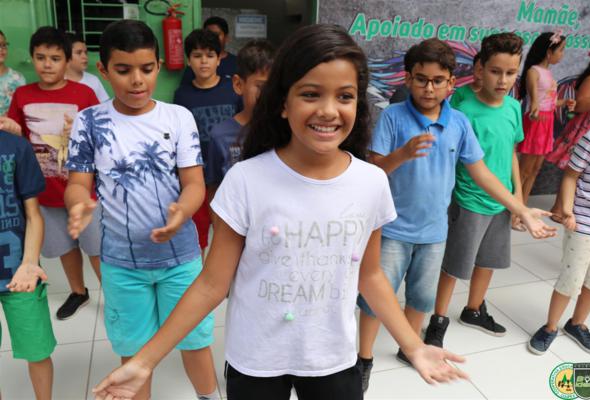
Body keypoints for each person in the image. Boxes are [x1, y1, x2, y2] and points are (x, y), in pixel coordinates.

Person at [92, 24, 469, 400]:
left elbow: (369, 275)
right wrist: (145, 361)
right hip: (256, 359)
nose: (328, 110)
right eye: (310, 94)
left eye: (345, 96)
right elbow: (211, 284)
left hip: (332, 357)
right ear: (283, 103)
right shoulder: (246, 180)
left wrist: (413, 345)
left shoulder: (370, 182)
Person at [356, 38, 556, 392]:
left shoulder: (459, 122)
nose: (429, 88)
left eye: (438, 80)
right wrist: (402, 154)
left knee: (420, 299)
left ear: (451, 83)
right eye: (421, 79)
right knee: (375, 301)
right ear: (408, 78)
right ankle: (364, 358)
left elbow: (482, 173)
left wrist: (520, 208)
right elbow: (374, 171)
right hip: (392, 231)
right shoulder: (393, 116)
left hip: (434, 234)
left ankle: (410, 348)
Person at [64, 20, 219, 400]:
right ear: (103, 70)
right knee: (133, 353)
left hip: (180, 259)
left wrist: (183, 211)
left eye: (147, 69)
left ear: (159, 65)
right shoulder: (89, 121)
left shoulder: (177, 117)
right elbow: (78, 183)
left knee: (195, 342)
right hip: (121, 264)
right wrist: (78, 204)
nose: (137, 80)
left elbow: (194, 183)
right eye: (123, 70)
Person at [425, 32, 556, 349]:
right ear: (479, 69)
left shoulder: (513, 107)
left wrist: (517, 200)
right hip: (468, 199)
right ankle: (438, 319)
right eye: (496, 71)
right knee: (454, 265)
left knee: (488, 260)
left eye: (511, 73)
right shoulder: (461, 106)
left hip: (502, 202)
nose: (503, 80)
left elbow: (511, 153)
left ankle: (473, 309)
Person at [4, 26, 101, 320]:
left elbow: (103, 134)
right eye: (40, 57)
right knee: (64, 247)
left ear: (67, 61)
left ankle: (115, 298)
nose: (47, 64)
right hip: (44, 192)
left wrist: (81, 131)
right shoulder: (22, 94)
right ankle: (78, 292)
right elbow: (18, 136)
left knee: (96, 248)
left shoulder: (84, 93)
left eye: (55, 58)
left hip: (84, 191)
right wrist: (13, 131)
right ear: (32, 58)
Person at [529, 126, 590, 356]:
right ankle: (550, 327)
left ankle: (577, 324)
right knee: (571, 279)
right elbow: (570, 175)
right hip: (584, 223)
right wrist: (568, 211)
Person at [0, 129, 56, 400]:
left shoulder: (16, 147)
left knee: (37, 349)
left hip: (19, 272)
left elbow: (33, 214)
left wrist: (29, 263)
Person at [174, 28, 240, 254]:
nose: (204, 61)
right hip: (199, 175)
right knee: (199, 231)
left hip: (230, 173)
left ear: (219, 59)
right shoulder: (182, 95)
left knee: (230, 231)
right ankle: (200, 271)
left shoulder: (233, 90)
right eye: (197, 56)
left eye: (210, 55)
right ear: (188, 60)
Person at [204, 39, 274, 216]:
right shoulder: (220, 135)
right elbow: (213, 187)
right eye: (261, 87)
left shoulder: (286, 131)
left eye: (274, 88)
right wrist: (218, 225)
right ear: (238, 85)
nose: (269, 95)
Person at [517, 32, 575, 207]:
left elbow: (549, 101)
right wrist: (535, 109)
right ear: (549, 52)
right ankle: (514, 209)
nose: (562, 54)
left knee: (535, 170)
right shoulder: (533, 72)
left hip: (547, 122)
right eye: (561, 50)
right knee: (524, 170)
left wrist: (564, 102)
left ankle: (523, 206)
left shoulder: (547, 73)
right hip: (536, 122)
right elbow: (535, 101)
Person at [546, 48, 590, 221]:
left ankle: (574, 210)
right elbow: (580, 105)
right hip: (586, 131)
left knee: (588, 172)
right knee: (574, 170)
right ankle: (559, 209)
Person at [180, 16, 237, 86]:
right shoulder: (194, 65)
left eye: (216, 34)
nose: (204, 61)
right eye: (197, 56)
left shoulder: (237, 63)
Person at [64, 32, 110, 102]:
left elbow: (104, 105)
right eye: (79, 53)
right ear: (65, 55)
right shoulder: (58, 81)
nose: (85, 57)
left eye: (86, 53)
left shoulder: (93, 80)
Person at [0, 29, 25, 116]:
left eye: (3, 45)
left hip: (12, 124)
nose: (1, 49)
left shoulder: (17, 78)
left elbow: (22, 109)